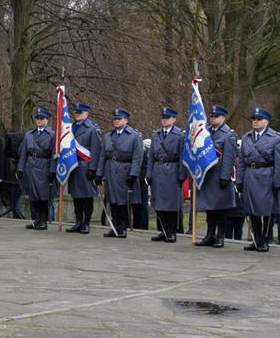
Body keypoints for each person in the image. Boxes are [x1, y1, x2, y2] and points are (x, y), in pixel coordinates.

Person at [236, 109, 280, 252]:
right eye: (254, 119)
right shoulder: (246, 138)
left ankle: (265, 239)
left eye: (259, 119)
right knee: (252, 210)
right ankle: (256, 239)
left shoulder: (276, 138)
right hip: (250, 175)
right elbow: (241, 162)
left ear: (267, 121)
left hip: (267, 176)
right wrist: (239, 181)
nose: (255, 121)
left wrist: (278, 182)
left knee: (267, 210)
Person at [194, 106, 238, 247]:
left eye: (216, 116)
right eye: (212, 116)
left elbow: (229, 157)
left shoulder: (228, 134)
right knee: (209, 208)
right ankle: (209, 234)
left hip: (219, 175)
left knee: (221, 208)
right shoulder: (204, 131)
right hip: (207, 174)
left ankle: (220, 236)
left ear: (223, 118)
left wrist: (225, 176)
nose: (213, 118)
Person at [100, 109, 143, 238]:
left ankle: (122, 227)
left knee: (123, 201)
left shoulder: (134, 136)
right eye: (115, 119)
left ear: (126, 120)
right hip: (110, 170)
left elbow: (138, 157)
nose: (116, 121)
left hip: (125, 170)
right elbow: (103, 156)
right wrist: (99, 173)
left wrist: (133, 173)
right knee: (112, 199)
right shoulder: (108, 136)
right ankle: (115, 226)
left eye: (119, 119)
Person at [148, 108, 187, 243]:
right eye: (163, 118)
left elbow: (183, 156)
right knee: (159, 203)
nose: (164, 120)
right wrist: (149, 173)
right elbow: (151, 156)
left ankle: (172, 231)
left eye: (168, 118)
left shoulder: (180, 135)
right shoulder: (156, 135)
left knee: (171, 204)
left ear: (174, 119)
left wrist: (182, 175)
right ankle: (162, 230)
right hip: (158, 169)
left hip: (172, 169)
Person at [64, 104, 101, 233]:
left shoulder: (92, 129)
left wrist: (93, 169)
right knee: (76, 196)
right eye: (76, 113)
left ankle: (86, 222)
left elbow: (96, 151)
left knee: (86, 196)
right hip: (73, 166)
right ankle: (78, 222)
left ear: (87, 113)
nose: (77, 114)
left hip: (85, 166)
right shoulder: (71, 127)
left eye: (80, 113)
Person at [18, 107, 57, 229]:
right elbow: (23, 153)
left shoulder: (52, 134)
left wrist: (52, 170)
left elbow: (54, 155)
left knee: (43, 195)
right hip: (31, 166)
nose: (39, 121)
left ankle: (43, 221)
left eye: (42, 118)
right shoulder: (29, 134)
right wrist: (20, 168)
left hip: (44, 166)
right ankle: (35, 219)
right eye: (37, 118)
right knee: (33, 196)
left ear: (47, 120)